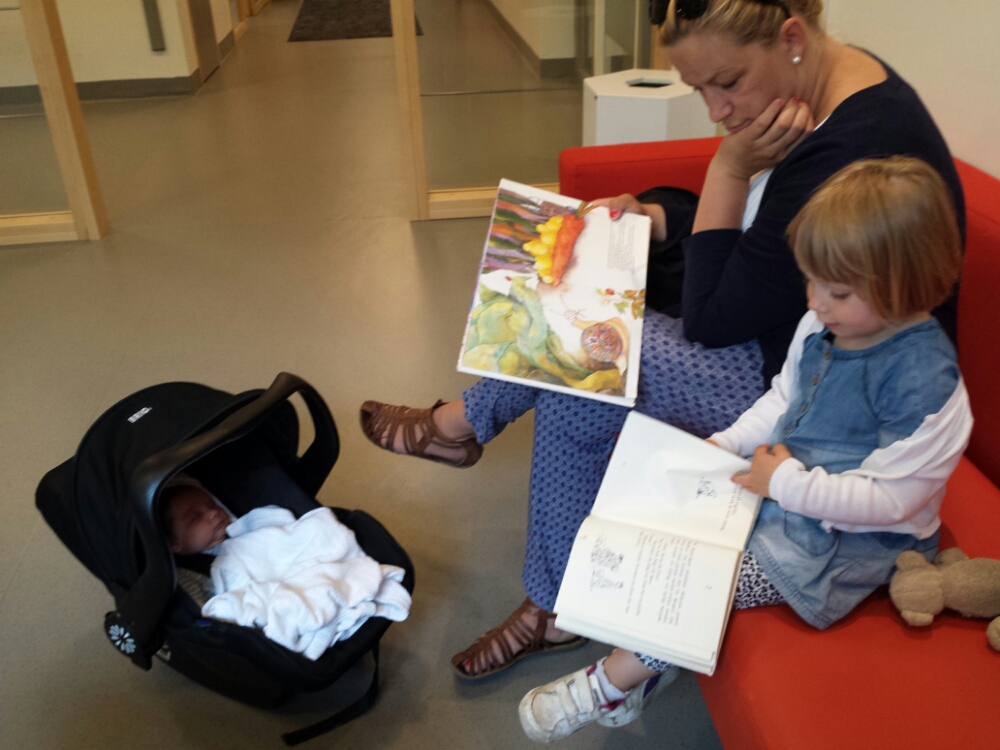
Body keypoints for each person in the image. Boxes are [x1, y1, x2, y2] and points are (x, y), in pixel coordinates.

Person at [359, 0, 966, 679]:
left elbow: (713, 316)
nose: (716, 110)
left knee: (591, 354)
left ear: (792, 37)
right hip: (800, 348)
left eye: (727, 82)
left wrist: (728, 170)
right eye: (699, 87)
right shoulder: (825, 90)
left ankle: (467, 438)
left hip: (826, 389)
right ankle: (540, 580)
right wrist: (654, 216)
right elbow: (758, 240)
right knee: (582, 354)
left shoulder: (851, 146)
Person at [519, 155, 972, 741]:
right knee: (658, 530)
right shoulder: (827, 322)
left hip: (851, 541)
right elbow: (784, 396)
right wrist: (728, 443)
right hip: (783, 486)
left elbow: (893, 502)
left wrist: (784, 484)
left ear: (903, 285)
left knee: (703, 585)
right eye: (810, 281)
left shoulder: (926, 384)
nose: (815, 302)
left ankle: (608, 685)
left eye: (836, 291)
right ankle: (644, 670)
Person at [161, 479, 411, 659]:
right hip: (288, 588)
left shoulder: (250, 525)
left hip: (308, 562)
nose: (212, 514)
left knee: (323, 528)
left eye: (211, 504)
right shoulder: (205, 574)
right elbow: (240, 604)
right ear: (175, 546)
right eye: (195, 518)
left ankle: (339, 582)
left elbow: (291, 532)